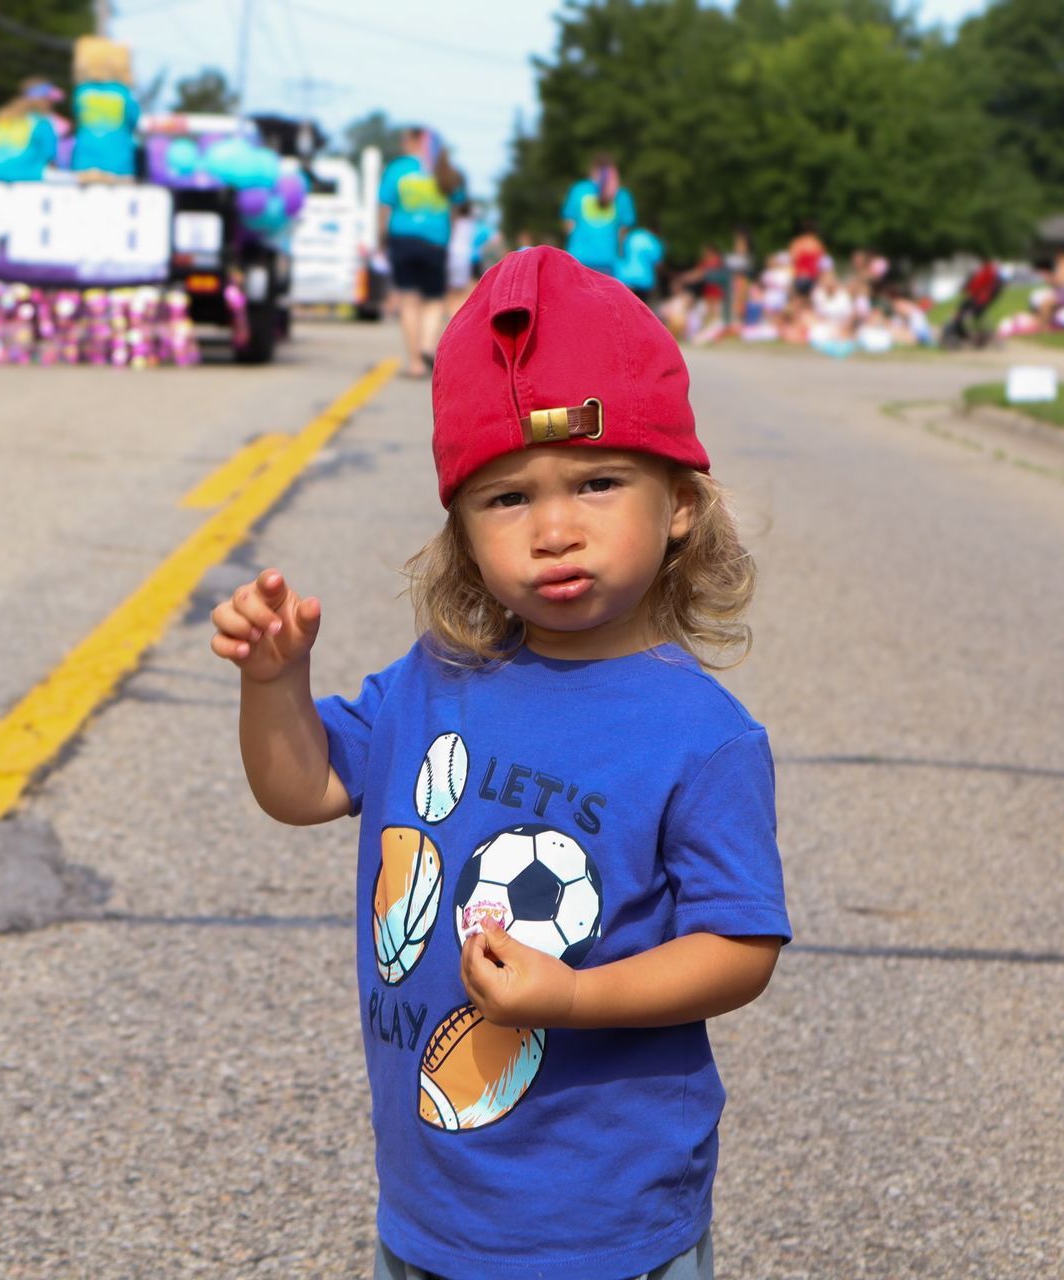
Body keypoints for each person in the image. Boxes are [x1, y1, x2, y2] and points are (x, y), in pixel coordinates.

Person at [207, 246, 789, 1280]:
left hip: (604, 1215)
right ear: (463, 530)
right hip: (431, 1204)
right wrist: (273, 685)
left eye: (600, 482)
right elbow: (302, 788)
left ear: (682, 502)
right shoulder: (435, 677)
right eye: (507, 498)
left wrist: (572, 998)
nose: (556, 529)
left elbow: (739, 947)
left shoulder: (702, 733)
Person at [379, 127, 464, 378]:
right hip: (435, 241)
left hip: (402, 239)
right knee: (435, 299)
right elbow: (456, 211)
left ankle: (415, 362)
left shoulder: (397, 169)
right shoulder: (445, 169)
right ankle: (428, 344)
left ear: (414, 141)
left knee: (408, 299)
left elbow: (385, 208)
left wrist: (381, 238)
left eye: (405, 138)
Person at [69, 37, 140, 179]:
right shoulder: (122, 92)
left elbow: (76, 115)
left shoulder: (82, 91)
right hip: (119, 161)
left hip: (85, 160)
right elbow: (134, 119)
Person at [561, 153, 635, 275]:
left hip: (578, 258)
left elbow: (569, 224)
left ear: (593, 170)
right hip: (608, 260)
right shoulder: (622, 195)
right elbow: (623, 231)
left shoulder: (578, 190)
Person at [0, 78, 64, 182]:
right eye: (50, 100)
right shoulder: (42, 123)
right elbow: (49, 156)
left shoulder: (1, 118)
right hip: (25, 178)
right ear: (44, 100)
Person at [614, 223, 665, 307]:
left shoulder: (630, 236)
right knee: (642, 308)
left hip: (625, 279)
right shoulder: (652, 240)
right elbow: (658, 263)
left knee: (626, 307)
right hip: (644, 281)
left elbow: (620, 252)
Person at [787, 220, 827, 299]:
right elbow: (821, 263)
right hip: (814, 277)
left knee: (798, 299)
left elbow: (793, 260)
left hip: (800, 276)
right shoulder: (817, 244)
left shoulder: (797, 243)